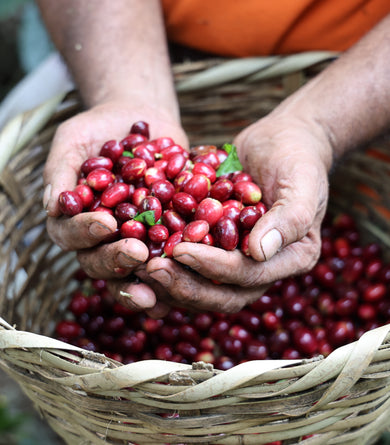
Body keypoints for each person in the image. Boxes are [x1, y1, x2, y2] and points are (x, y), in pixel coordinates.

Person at [36, 0, 390, 318]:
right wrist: (124, 92)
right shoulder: (173, 184)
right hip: (138, 46)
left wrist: (318, 125)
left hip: (362, 83)